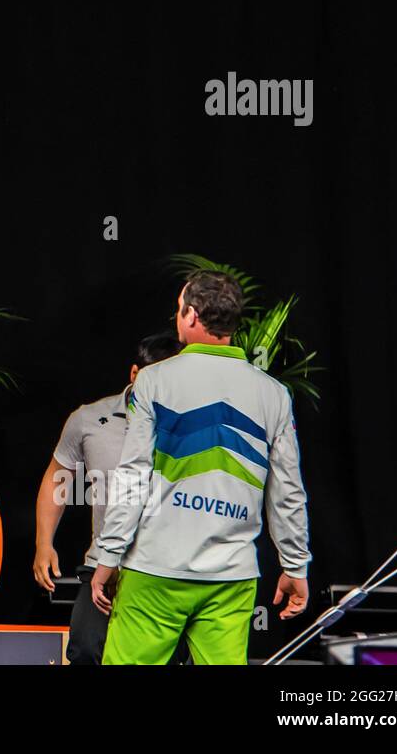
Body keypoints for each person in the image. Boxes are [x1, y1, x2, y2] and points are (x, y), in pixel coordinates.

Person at [90, 270, 311, 664]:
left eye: (178, 310)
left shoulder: (154, 380)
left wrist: (108, 555)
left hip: (155, 570)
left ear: (191, 315)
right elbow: (287, 490)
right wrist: (294, 564)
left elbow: (133, 475)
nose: (177, 318)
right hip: (231, 576)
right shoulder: (275, 394)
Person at [33, 332, 187, 664]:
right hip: (103, 563)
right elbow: (57, 479)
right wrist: (44, 543)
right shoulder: (89, 419)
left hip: (166, 568)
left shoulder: (190, 427)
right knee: (87, 649)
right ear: (134, 374)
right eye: (153, 380)